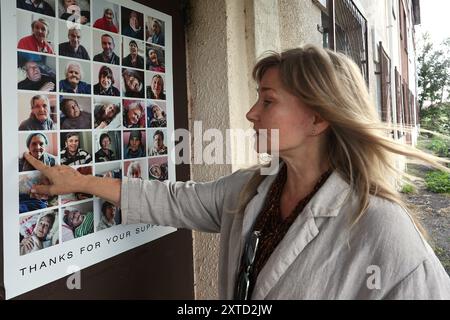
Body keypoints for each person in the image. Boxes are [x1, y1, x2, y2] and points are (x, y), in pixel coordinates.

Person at [24, 45, 450, 299]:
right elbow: (175, 199)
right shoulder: (252, 189)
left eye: (267, 101)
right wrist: (78, 181)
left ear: (318, 119)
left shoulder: (380, 225)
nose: (250, 113)